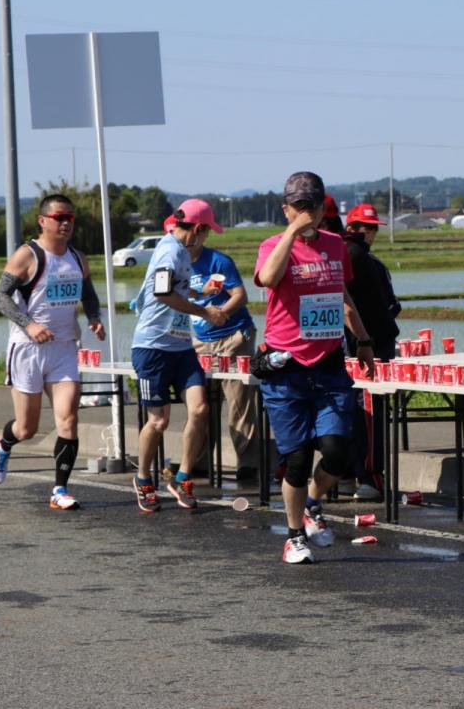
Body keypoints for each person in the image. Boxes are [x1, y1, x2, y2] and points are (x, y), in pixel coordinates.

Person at [255, 171, 375, 564]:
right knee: (298, 459)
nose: (308, 213)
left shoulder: (336, 245)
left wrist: (364, 341)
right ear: (286, 208)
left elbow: (341, 297)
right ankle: (293, 536)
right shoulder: (273, 245)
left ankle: (311, 503)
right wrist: (292, 233)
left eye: (314, 206)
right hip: (287, 367)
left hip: (328, 365)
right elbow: (268, 279)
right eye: (299, 206)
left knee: (339, 453)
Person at [0, 195, 104, 508]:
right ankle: (4, 444)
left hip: (64, 348)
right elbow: (1, 296)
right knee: (27, 428)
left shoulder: (78, 258)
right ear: (43, 221)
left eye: (70, 218)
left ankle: (60, 491)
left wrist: (94, 317)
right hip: (28, 349)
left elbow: (89, 294)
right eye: (59, 217)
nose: (65, 223)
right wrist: (30, 325)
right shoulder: (27, 255)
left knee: (68, 420)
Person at [130, 198, 227, 513]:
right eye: (207, 231)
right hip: (153, 348)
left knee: (200, 410)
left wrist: (201, 294)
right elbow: (162, 292)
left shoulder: (183, 253)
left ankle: (183, 477)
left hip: (181, 347)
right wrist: (204, 311)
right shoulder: (169, 251)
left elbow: (177, 290)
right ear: (197, 228)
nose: (207, 237)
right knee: (158, 421)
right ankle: (144, 479)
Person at [185, 221, 260, 481]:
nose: (192, 240)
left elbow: (239, 294)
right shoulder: (176, 264)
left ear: (203, 235)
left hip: (233, 337)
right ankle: (199, 462)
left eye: (199, 234)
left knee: (239, 402)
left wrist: (222, 313)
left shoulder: (218, 261)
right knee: (202, 403)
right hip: (201, 341)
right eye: (187, 234)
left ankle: (247, 465)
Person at [342, 202, 399, 501]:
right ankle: (371, 476)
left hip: (346, 345)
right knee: (369, 410)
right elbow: (392, 306)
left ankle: (343, 472)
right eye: (367, 227)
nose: (371, 233)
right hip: (371, 344)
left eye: (374, 227)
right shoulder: (363, 259)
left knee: (347, 408)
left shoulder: (340, 256)